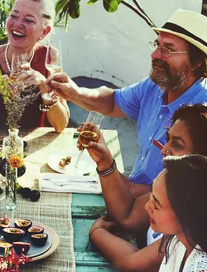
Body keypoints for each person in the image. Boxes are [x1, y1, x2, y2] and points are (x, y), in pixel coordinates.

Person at [49, 9, 207, 196]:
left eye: (168, 49)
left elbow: (188, 194)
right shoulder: (155, 86)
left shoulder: (201, 115)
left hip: (159, 210)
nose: (155, 54)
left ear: (197, 63)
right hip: (131, 192)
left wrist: (110, 172)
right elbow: (112, 102)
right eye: (157, 45)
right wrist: (74, 92)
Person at [87, 104, 207, 272]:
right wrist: (104, 162)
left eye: (177, 143)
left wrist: (97, 232)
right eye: (168, 139)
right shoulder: (173, 186)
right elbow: (129, 214)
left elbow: (135, 265)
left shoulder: (194, 213)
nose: (164, 149)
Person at [0, 0, 69, 137]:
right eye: (14, 15)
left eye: (29, 20)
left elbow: (61, 125)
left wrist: (43, 85)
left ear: (44, 31)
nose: (17, 24)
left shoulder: (49, 57)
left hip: (32, 147)